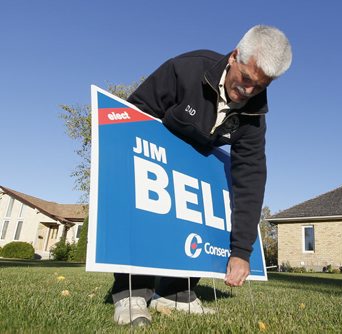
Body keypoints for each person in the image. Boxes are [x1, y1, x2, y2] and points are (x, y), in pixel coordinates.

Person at [112, 25, 292, 326]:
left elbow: (250, 177)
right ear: (235, 56)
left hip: (194, 169)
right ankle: (131, 291)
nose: (248, 91)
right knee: (147, 207)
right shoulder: (186, 69)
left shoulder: (255, 116)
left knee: (207, 198)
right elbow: (134, 116)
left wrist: (241, 251)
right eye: (246, 79)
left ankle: (176, 293)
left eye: (259, 87)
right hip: (154, 160)